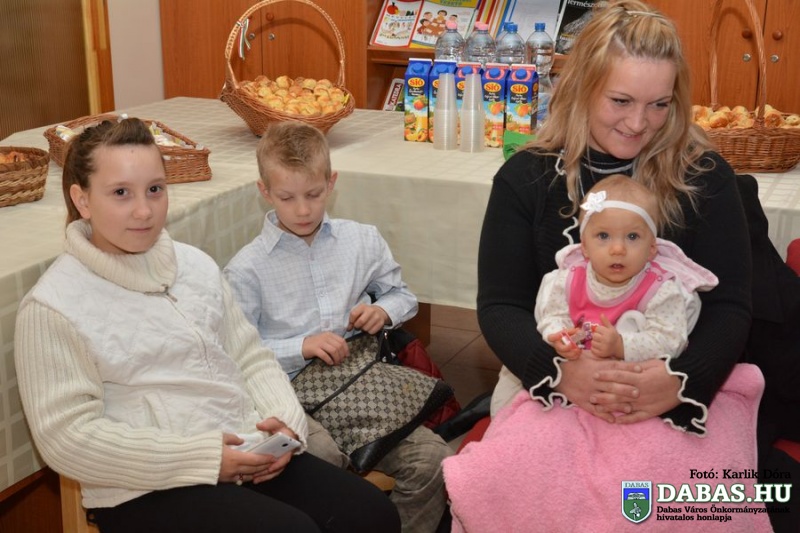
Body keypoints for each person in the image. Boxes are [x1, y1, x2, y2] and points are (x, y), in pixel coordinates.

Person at [442, 2, 773, 531]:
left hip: (675, 371)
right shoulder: (527, 178)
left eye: (659, 104)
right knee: (534, 490)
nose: (639, 123)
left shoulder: (704, 176)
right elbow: (501, 306)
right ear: (581, 87)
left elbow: (731, 306)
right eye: (620, 101)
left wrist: (681, 381)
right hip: (555, 372)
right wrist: (562, 373)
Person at [13, 118, 400, 533]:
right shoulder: (53, 305)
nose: (144, 210)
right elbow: (67, 438)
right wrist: (203, 459)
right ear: (82, 200)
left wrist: (285, 423)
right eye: (121, 193)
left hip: (247, 448)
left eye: (155, 189)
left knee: (372, 515)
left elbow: (250, 356)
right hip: (146, 485)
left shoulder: (194, 265)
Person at [223, 120, 452, 533]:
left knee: (432, 460)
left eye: (313, 194)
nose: (303, 210)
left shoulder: (361, 240)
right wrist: (301, 346)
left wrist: (383, 312)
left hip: (360, 384)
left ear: (331, 183)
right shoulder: (247, 269)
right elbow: (237, 351)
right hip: (291, 392)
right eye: (287, 197)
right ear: (264, 192)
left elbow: (402, 296)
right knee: (324, 458)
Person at [490, 175, 719, 413]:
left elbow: (670, 341)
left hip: (636, 385)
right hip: (575, 379)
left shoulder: (660, 289)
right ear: (584, 246)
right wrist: (560, 338)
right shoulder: (567, 281)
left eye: (632, 237)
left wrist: (621, 345)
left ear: (652, 248)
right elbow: (552, 317)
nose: (617, 249)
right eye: (603, 236)